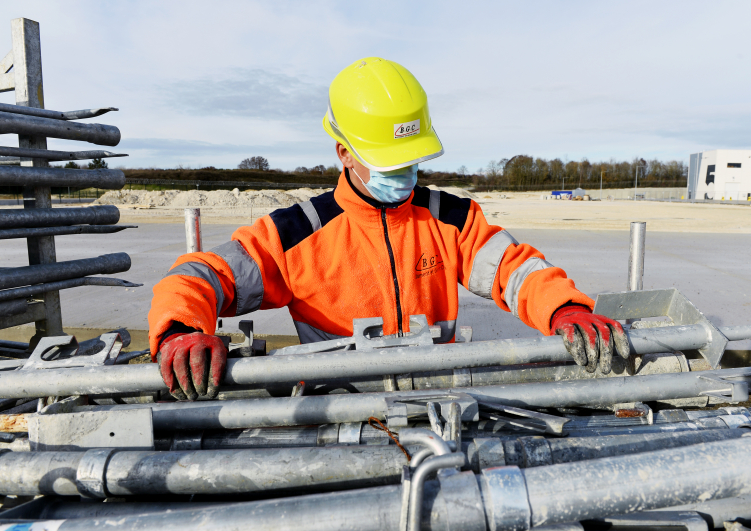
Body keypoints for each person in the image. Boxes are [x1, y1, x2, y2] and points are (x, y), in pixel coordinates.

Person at [147, 57, 629, 401]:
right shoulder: (297, 233)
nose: (405, 174)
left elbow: (514, 267)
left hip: (439, 406)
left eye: (411, 160)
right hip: (337, 415)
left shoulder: (451, 219)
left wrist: (564, 309)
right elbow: (197, 275)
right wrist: (181, 329)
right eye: (390, 162)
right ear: (344, 153)